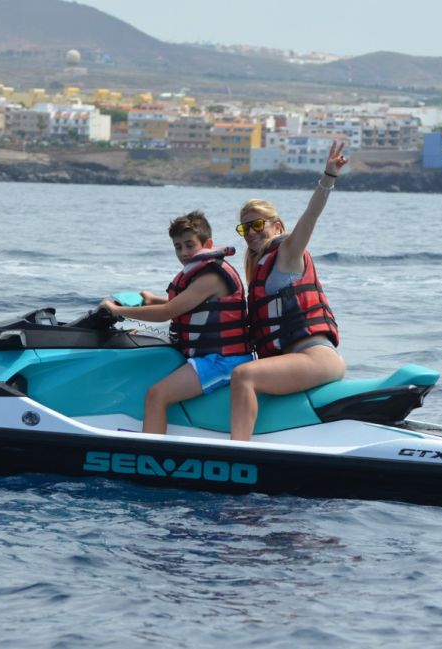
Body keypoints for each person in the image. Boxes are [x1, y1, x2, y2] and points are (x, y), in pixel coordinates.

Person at [229, 140, 348, 441]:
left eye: (257, 225)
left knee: (244, 376)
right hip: (293, 358)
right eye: (245, 229)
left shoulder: (287, 252)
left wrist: (328, 177)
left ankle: (237, 451)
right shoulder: (259, 269)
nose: (252, 233)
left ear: (277, 226)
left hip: (315, 357)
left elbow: (310, 217)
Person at [99, 211, 253, 434]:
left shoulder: (212, 277)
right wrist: (152, 300)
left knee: (156, 395)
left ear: (208, 243)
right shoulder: (203, 275)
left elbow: (168, 312)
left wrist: (116, 310)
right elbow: (189, 305)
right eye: (178, 247)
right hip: (212, 356)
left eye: (190, 245)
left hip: (223, 361)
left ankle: (149, 455)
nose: (184, 253)